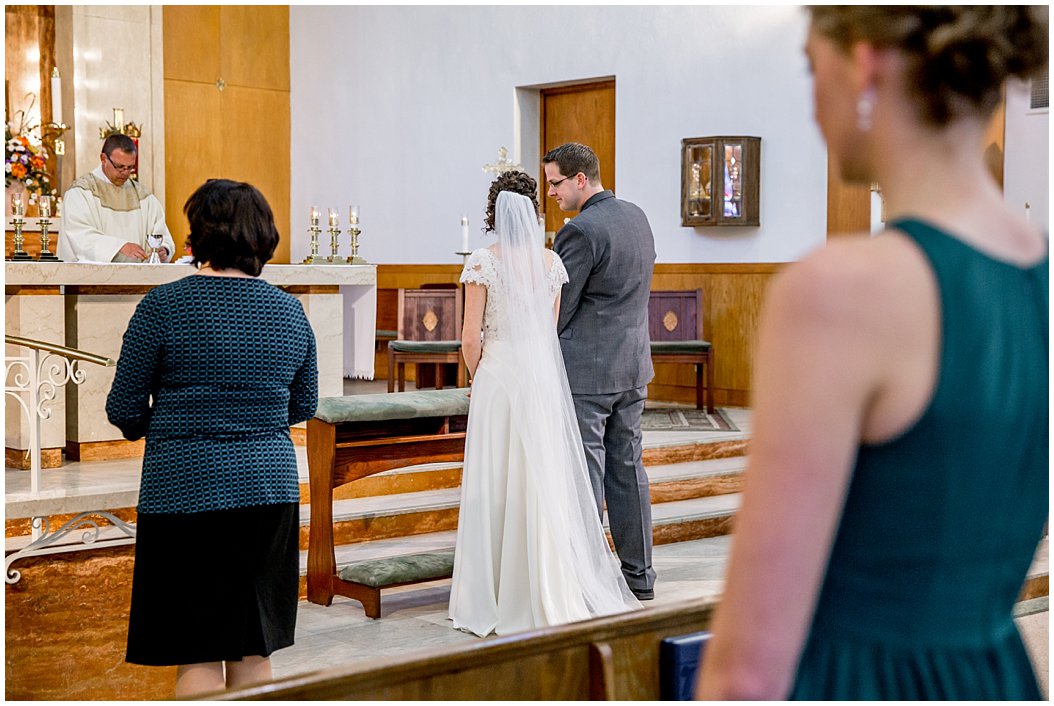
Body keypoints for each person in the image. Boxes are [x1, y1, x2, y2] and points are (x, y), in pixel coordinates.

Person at [697, 6, 1047, 700]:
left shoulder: (839, 292)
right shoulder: (1037, 271)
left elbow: (748, 667)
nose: (812, 99)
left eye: (810, 66)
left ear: (860, 65)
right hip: (993, 676)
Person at [106, 179, 317, 697]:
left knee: (195, 649)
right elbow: (303, 405)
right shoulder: (290, 311)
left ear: (197, 234)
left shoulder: (163, 306)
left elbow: (123, 408)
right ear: (262, 237)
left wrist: (169, 424)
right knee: (252, 648)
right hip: (268, 491)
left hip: (183, 491)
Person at [448, 170, 640, 637]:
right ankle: (542, 586)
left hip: (497, 377)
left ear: (494, 210)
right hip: (539, 377)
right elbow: (548, 330)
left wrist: (480, 373)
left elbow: (470, 336)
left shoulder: (482, 261)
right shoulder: (552, 262)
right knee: (538, 480)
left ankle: (490, 594)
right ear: (533, 209)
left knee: (494, 479)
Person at [542, 143, 658, 601]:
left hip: (587, 372)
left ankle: (587, 580)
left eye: (555, 183)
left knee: (585, 473)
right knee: (629, 469)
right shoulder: (638, 217)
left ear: (580, 180)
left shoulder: (580, 231)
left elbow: (561, 306)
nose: (550, 191)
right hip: (632, 364)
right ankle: (640, 576)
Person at [58, 134, 174, 263]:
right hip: (91, 280)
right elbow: (79, 236)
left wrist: (164, 249)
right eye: (119, 167)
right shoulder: (81, 192)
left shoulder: (143, 196)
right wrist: (120, 247)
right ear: (103, 159)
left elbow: (161, 233)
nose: (125, 173)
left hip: (137, 279)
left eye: (130, 167)